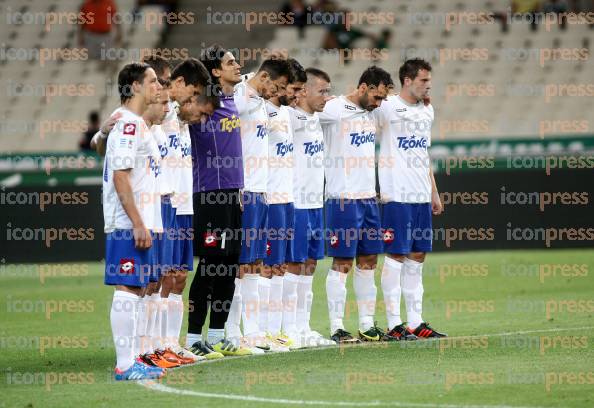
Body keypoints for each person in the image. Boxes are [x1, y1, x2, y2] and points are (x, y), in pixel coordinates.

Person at [185, 45, 251, 358]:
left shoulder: (234, 100)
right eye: (230, 62)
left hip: (233, 192)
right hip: (210, 193)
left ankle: (217, 335)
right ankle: (192, 337)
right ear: (214, 71)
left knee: (229, 266)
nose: (237, 65)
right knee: (210, 265)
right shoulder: (202, 104)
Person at [319, 66, 392, 343]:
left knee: (369, 260)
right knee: (342, 262)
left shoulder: (371, 113)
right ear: (364, 88)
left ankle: (366, 324)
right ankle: (337, 326)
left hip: (367, 198)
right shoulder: (333, 109)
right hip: (342, 199)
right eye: (377, 97)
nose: (379, 103)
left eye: (383, 99)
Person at [376, 59, 447, 340]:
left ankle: (416, 322)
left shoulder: (427, 110)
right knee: (395, 255)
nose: (428, 86)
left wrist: (434, 191)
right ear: (407, 80)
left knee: (417, 256)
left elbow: (423, 154)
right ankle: (395, 324)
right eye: (423, 81)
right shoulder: (387, 106)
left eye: (429, 81)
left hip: (420, 194)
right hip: (397, 194)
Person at [102, 62, 164, 380]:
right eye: (152, 81)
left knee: (139, 288)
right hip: (129, 223)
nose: (158, 85)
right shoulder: (129, 125)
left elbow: (103, 149)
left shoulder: (133, 124)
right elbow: (120, 177)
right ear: (136, 87)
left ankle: (133, 358)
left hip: (142, 221)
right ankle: (125, 364)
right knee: (127, 288)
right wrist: (138, 222)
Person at [233, 59, 291, 351]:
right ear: (264, 76)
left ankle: (253, 332)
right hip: (244, 191)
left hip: (261, 190)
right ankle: (233, 333)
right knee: (241, 264)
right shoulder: (240, 97)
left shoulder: (258, 101)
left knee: (255, 262)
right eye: (276, 87)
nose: (276, 93)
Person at [284, 67, 335, 347]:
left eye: (328, 91)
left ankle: (303, 328)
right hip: (297, 203)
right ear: (303, 91)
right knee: (293, 265)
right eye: (322, 91)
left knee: (310, 265)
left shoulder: (317, 118)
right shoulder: (289, 117)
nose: (327, 97)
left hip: (316, 203)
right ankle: (288, 329)